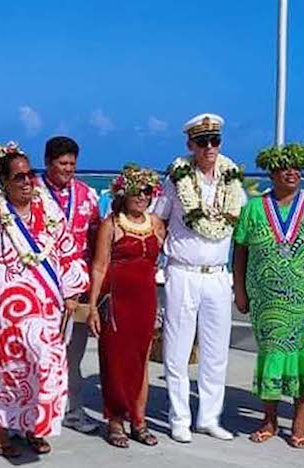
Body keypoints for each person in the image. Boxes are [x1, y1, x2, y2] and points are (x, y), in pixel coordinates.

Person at [0, 142, 88, 457]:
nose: (27, 182)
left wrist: (73, 292)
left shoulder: (48, 210)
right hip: (4, 313)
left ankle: (34, 427)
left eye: (30, 175)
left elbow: (69, 251)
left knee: (45, 366)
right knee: (6, 370)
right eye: (19, 177)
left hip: (45, 308)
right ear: (4, 181)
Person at [233, 143, 304, 449]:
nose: (292, 172)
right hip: (268, 303)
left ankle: (299, 421)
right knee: (271, 357)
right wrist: (239, 290)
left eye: (297, 168)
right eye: (285, 168)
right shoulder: (254, 208)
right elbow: (240, 253)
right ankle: (269, 420)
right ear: (272, 173)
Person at [153, 113, 246, 443]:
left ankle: (209, 417)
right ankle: (179, 417)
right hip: (183, 272)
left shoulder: (231, 179)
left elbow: (241, 227)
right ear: (190, 144)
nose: (210, 147)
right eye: (203, 141)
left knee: (216, 351)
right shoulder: (176, 178)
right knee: (177, 350)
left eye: (215, 141)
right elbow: (157, 220)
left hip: (218, 276)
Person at [87, 165, 165, 448]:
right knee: (115, 361)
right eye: (136, 191)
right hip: (117, 301)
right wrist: (94, 306)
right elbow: (98, 267)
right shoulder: (112, 224)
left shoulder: (156, 223)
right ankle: (115, 420)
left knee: (141, 360)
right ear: (124, 192)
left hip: (145, 300)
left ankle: (139, 419)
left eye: (147, 191)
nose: (142, 196)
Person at [37, 136, 100, 434]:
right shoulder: (33, 192)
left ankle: (73, 411)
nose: (68, 169)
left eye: (72, 164)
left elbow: (97, 239)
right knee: (39, 352)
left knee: (74, 354)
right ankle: (36, 412)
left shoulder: (87, 195)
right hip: (40, 287)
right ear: (48, 162)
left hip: (77, 289)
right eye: (62, 163)